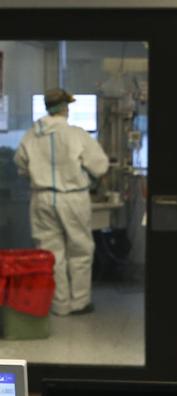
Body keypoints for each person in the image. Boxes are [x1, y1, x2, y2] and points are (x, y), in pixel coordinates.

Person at [14, 88, 109, 316]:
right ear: (65, 108)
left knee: (50, 253)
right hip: (72, 197)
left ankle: (59, 305)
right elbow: (100, 166)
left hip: (42, 197)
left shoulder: (30, 136)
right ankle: (79, 302)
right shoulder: (76, 134)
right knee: (80, 250)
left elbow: (21, 166)